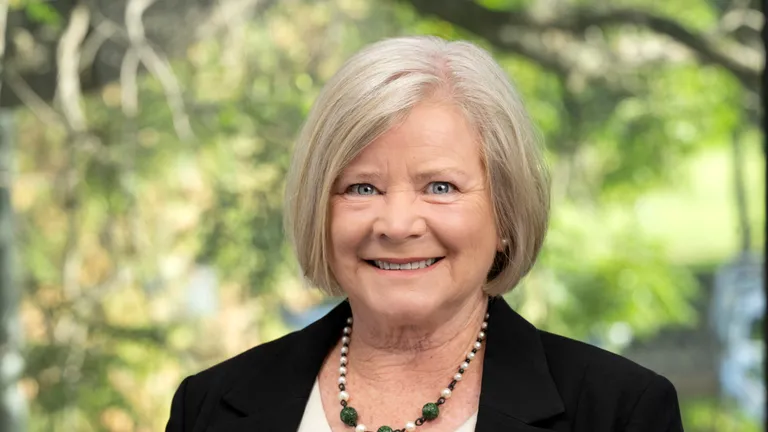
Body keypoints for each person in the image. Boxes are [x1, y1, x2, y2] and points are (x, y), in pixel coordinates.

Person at [165, 36, 684, 432]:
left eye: (440, 186)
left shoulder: (620, 411)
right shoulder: (209, 406)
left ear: (505, 213)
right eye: (361, 188)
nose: (396, 224)